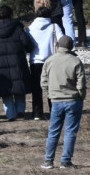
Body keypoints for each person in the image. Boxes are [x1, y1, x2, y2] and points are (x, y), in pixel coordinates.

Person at [41, 35, 86, 170]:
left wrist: (50, 94)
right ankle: (65, 161)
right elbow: (81, 83)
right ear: (71, 46)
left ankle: (48, 161)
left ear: (58, 45)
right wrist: (81, 96)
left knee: (53, 131)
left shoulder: (49, 61)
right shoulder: (76, 61)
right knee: (70, 131)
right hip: (73, 100)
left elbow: (43, 81)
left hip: (56, 101)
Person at [0, 5, 34, 121]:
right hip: (17, 62)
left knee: (6, 90)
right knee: (19, 87)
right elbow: (27, 43)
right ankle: (20, 111)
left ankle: (10, 114)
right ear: (11, 14)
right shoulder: (17, 27)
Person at [29, 6, 60, 121]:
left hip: (35, 61)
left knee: (36, 88)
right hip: (51, 60)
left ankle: (37, 113)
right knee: (52, 88)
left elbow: (27, 44)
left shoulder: (31, 28)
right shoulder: (54, 26)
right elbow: (61, 40)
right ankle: (54, 111)